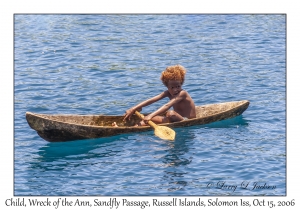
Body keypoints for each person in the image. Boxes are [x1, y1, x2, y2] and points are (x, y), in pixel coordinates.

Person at [123, 64, 196, 126]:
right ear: (167, 86)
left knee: (170, 113)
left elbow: (167, 106)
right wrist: (133, 108)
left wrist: (151, 115)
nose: (175, 90)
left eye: (178, 86)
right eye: (172, 87)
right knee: (145, 120)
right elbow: (152, 100)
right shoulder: (168, 92)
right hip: (174, 120)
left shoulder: (183, 93)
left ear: (181, 84)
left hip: (186, 120)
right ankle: (134, 128)